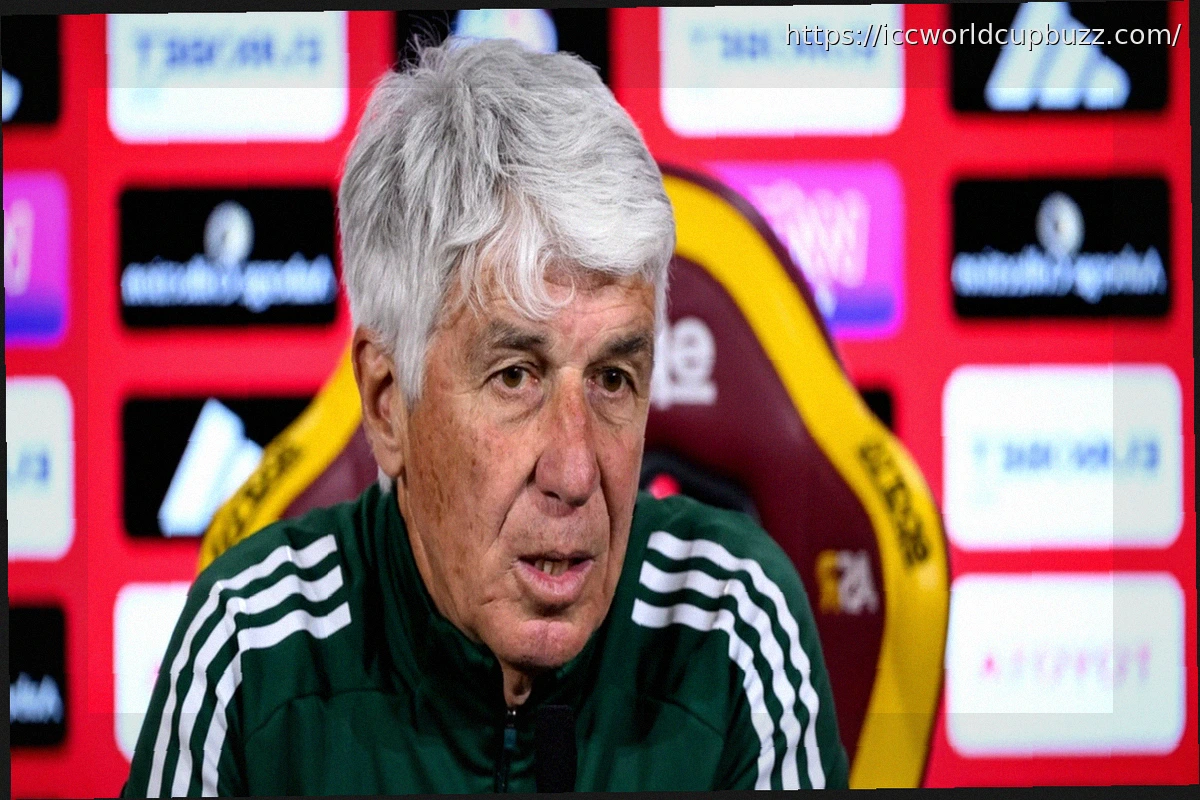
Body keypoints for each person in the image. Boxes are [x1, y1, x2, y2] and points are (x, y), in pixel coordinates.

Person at [122, 37, 848, 796]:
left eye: (612, 378)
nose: (575, 473)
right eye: (514, 377)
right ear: (387, 405)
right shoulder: (251, 646)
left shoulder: (729, 622)